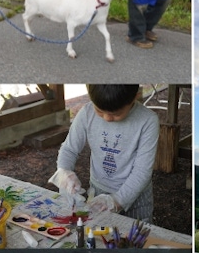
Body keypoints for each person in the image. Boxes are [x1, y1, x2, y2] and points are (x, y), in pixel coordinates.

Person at [50, 85, 159, 223]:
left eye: (117, 114)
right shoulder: (87, 113)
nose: (107, 118)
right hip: (98, 192)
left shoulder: (148, 121)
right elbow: (69, 149)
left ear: (134, 97)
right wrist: (64, 172)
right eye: (100, 111)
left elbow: (142, 172)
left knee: (134, 239)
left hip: (135, 198)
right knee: (98, 236)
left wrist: (118, 200)